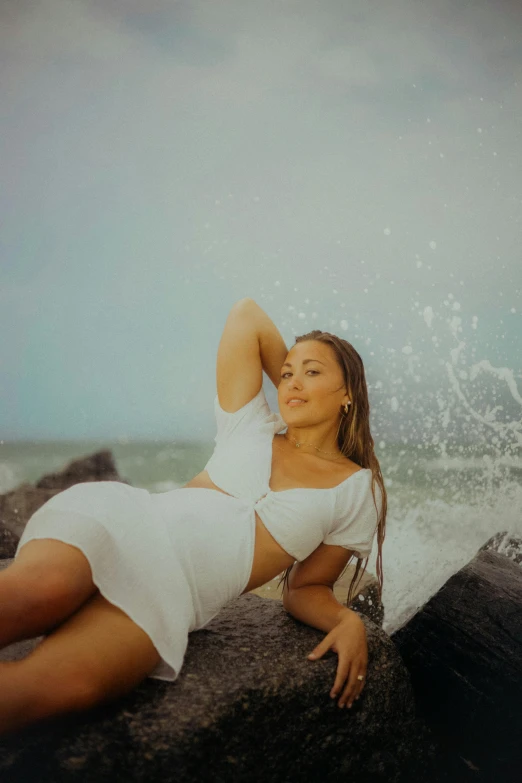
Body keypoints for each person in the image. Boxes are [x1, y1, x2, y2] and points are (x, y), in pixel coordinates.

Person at [0, 298, 387, 735]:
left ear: (349, 392)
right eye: (285, 374)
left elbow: (305, 587)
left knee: (61, 687)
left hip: (171, 594)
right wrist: (302, 381)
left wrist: (346, 619)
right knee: (38, 592)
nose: (293, 382)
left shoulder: (358, 490)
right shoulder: (251, 424)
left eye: (312, 372)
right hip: (124, 525)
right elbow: (247, 315)